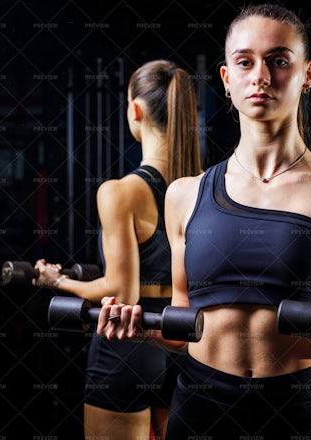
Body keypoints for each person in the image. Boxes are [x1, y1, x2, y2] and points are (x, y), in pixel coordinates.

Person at [97, 4, 311, 439]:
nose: (261, 77)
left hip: (299, 407)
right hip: (200, 402)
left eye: (278, 61)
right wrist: (140, 329)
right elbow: (182, 326)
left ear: (307, 75)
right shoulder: (185, 195)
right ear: (227, 78)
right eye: (245, 62)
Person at [33, 59, 202, 439]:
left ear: (135, 110)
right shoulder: (203, 188)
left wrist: (57, 281)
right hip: (184, 347)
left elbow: (119, 293)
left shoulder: (120, 193)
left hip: (128, 347)